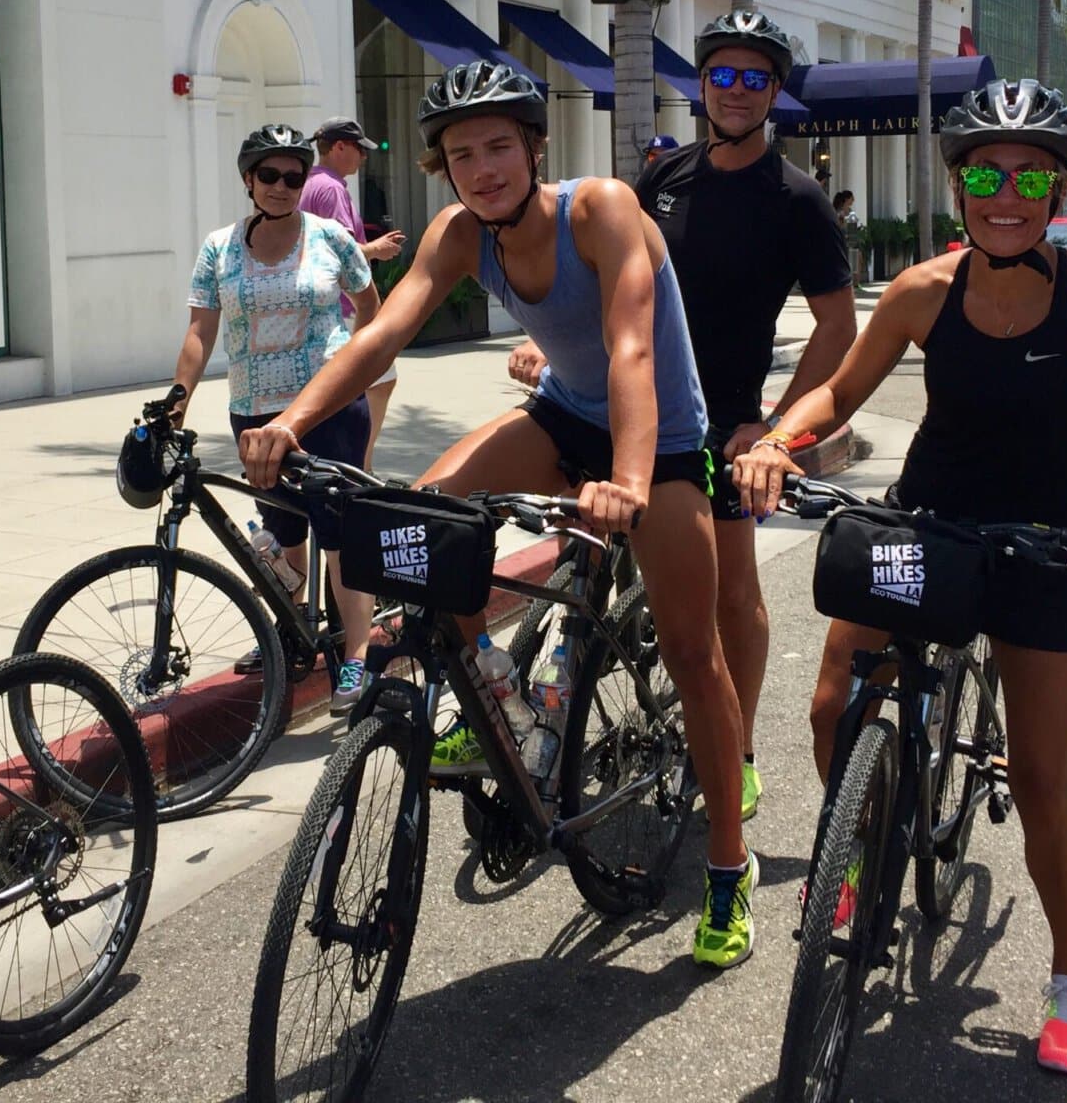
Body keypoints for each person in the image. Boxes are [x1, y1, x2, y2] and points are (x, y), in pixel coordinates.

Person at [736, 79, 1067, 1079]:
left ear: (1057, 190)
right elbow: (838, 387)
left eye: (1029, 177)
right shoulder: (925, 290)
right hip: (925, 524)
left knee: (1045, 780)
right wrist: (779, 440)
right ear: (957, 183)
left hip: (1045, 549)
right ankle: (861, 844)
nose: (1003, 194)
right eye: (981, 174)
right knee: (832, 707)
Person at [239, 62, 759, 969]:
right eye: (461, 155)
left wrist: (630, 480)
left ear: (533, 147)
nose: (482, 169)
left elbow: (632, 347)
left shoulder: (599, 211)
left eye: (498, 147)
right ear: (443, 169)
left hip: (663, 441)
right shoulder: (457, 232)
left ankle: (727, 864)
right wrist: (289, 422)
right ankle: (501, 698)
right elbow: (381, 335)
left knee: (693, 652)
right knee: (424, 518)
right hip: (563, 416)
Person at [511, 9, 856, 825]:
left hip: (723, 421)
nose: (736, 91)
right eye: (722, 75)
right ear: (701, 84)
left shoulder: (798, 200)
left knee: (733, 596)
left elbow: (840, 329)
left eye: (755, 78)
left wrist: (774, 431)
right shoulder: (662, 179)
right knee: (584, 558)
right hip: (624, 403)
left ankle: (733, 752)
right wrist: (552, 354)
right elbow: (610, 286)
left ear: (774, 91)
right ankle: (562, 704)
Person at [176, 124, 381, 714]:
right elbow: (200, 331)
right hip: (257, 416)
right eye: (269, 175)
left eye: (294, 175)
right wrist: (176, 400)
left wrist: (355, 364)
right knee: (284, 536)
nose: (283, 186)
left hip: (330, 409)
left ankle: (357, 659)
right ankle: (294, 632)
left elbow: (370, 308)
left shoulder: (332, 239)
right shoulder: (218, 247)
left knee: (341, 537)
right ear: (249, 179)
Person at [302, 116, 406, 468]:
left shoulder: (309, 183)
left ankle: (356, 461)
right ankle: (361, 464)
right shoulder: (331, 189)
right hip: (345, 306)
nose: (364, 157)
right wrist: (375, 248)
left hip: (326, 306)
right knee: (379, 379)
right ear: (339, 147)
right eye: (359, 149)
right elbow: (339, 251)